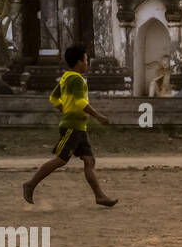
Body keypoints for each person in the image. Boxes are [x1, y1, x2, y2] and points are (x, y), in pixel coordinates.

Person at [22, 45, 117, 207]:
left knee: (89, 160)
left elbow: (53, 98)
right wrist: (98, 116)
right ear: (79, 62)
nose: (87, 64)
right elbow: (81, 102)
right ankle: (30, 184)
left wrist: (66, 109)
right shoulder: (77, 79)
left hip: (79, 127)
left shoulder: (66, 77)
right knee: (60, 160)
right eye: (86, 60)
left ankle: (100, 196)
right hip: (73, 127)